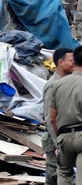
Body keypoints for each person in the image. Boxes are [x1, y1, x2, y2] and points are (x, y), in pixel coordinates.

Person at [49, 45, 82, 185]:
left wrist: (59, 140)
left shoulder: (57, 84)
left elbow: (52, 118)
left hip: (64, 137)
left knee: (63, 172)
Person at [43, 48, 74, 185]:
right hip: (55, 140)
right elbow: (50, 119)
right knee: (54, 177)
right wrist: (58, 144)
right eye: (72, 61)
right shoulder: (53, 86)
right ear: (60, 62)